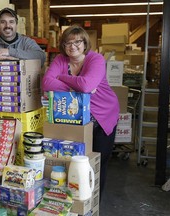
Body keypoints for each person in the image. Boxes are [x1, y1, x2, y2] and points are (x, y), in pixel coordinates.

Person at [42, 25, 120, 199]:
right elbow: (46, 83)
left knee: (97, 161)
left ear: (84, 43)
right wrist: (76, 84)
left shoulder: (96, 59)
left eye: (77, 41)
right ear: (63, 46)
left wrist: (61, 78)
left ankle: (94, 202)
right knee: (75, 159)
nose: (73, 46)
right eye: (68, 42)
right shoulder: (61, 60)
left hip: (102, 114)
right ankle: (76, 199)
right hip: (75, 116)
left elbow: (87, 85)